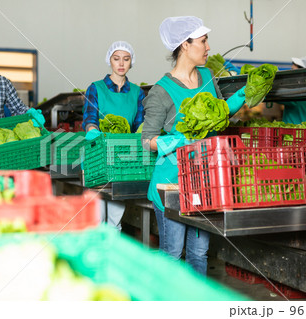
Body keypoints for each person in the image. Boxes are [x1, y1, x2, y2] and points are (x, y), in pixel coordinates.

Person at [141, 16, 247, 275]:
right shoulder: (161, 91)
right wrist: (176, 140)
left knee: (199, 254)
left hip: (204, 180)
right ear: (185, 45)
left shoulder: (208, 75)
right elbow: (147, 140)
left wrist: (243, 96)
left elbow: (220, 112)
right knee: (173, 254)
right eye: (203, 41)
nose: (208, 47)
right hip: (171, 184)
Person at [82, 40, 145, 231]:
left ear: (131, 62)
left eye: (126, 59)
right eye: (116, 58)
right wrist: (94, 134)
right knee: (96, 218)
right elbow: (90, 119)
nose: (121, 63)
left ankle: (111, 257)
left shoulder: (137, 92)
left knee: (115, 219)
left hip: (123, 159)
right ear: (109, 60)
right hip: (98, 157)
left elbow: (139, 125)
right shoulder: (96, 88)